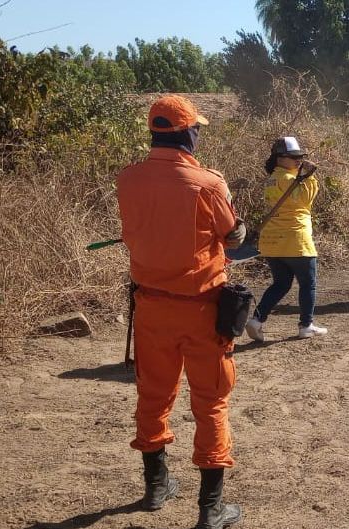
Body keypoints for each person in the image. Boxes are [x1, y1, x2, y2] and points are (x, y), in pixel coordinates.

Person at [116, 95, 244, 529]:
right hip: (201, 309)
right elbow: (234, 237)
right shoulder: (208, 183)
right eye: (197, 129)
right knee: (211, 402)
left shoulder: (128, 179)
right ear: (187, 132)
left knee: (152, 396)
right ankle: (211, 509)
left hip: (150, 307)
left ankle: (156, 486)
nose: (199, 135)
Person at [245, 137, 328, 341]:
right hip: (295, 238)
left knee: (281, 284)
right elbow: (306, 199)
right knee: (308, 284)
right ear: (280, 158)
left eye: (300, 156)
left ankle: (257, 320)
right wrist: (310, 177)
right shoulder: (289, 179)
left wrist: (302, 174)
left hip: (272, 240)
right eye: (294, 157)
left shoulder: (272, 178)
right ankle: (306, 325)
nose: (299, 160)